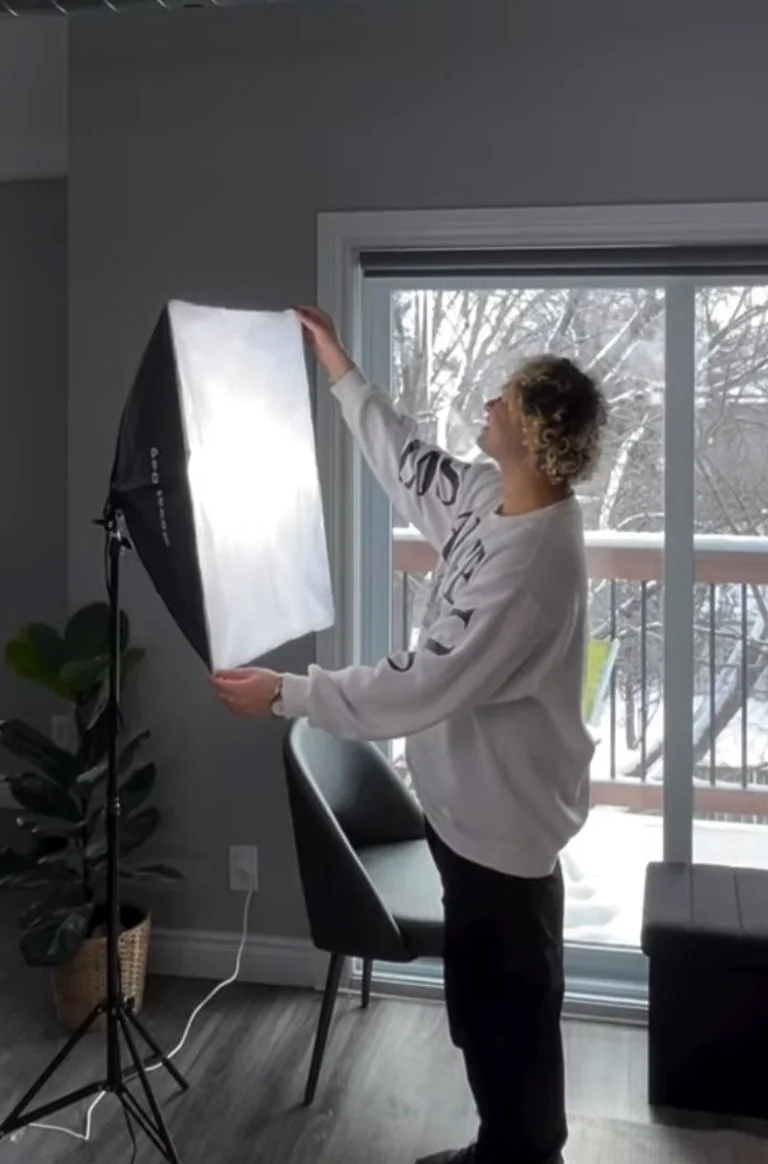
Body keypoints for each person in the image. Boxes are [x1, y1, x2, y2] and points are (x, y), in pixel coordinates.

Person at [211, 306, 608, 1164]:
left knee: (510, 1010)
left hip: (507, 829)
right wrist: (341, 372)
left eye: (506, 401)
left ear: (539, 435)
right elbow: (410, 463)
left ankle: (521, 1154)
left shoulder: (533, 567)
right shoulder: (489, 498)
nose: (489, 406)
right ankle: (504, 1144)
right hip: (465, 814)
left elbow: (423, 685)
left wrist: (288, 692)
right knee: (485, 1003)